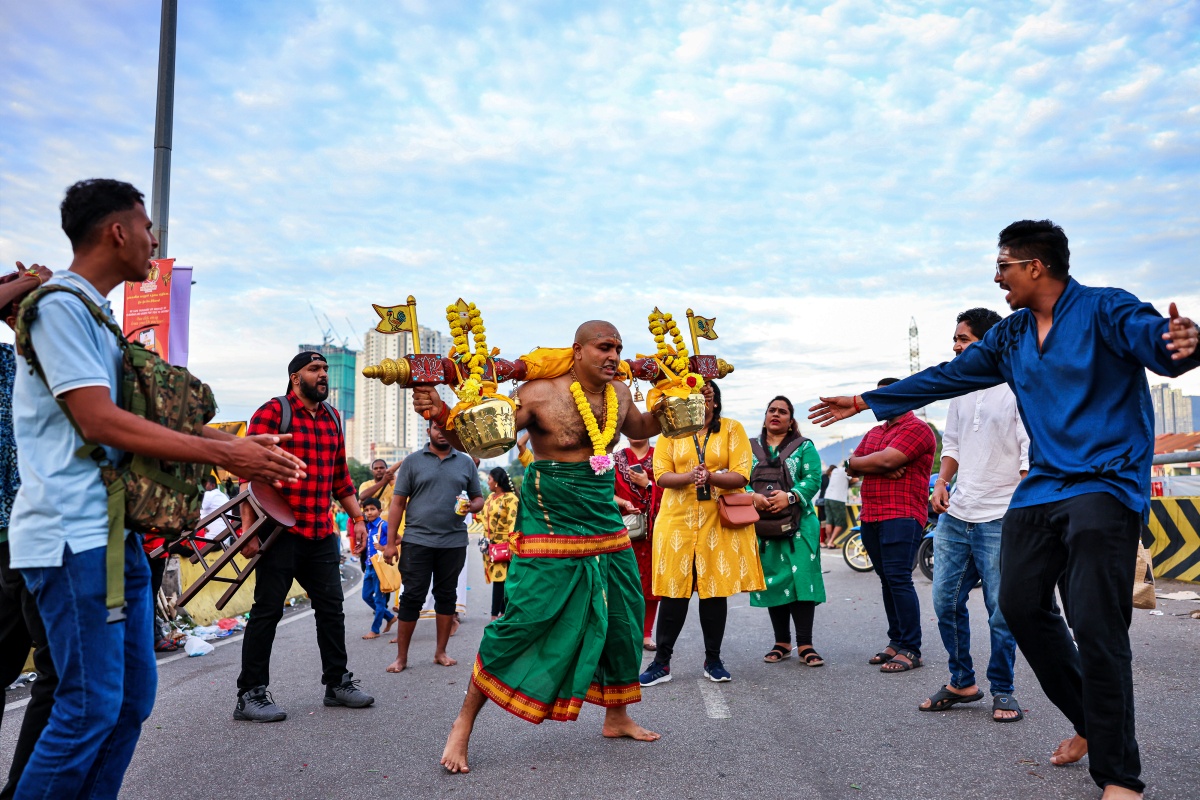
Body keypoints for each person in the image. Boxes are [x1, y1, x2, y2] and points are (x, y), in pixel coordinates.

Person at [809, 219, 1198, 800]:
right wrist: (868, 399)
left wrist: (1178, 343)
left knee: (1096, 623)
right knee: (1018, 606)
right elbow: (948, 375)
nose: (998, 279)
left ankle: (1120, 777)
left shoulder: (1105, 309)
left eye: (1003, 266)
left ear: (1035, 266)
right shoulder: (1012, 335)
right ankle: (1093, 724)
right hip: (1042, 489)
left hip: (1104, 486)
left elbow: (1156, 341)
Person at [8, 180, 304, 796]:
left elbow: (148, 416)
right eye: (146, 226)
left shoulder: (95, 315)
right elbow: (98, 419)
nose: (154, 238)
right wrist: (226, 452)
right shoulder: (60, 304)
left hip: (118, 538)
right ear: (117, 231)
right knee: (87, 708)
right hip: (72, 538)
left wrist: (238, 451)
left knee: (129, 703)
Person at [405, 320, 664, 773]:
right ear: (578, 350)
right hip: (550, 513)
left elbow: (642, 424)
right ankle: (463, 723)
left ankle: (617, 715)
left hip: (604, 513)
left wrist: (677, 397)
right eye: (605, 347)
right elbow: (484, 442)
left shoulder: (620, 392)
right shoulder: (539, 392)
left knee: (623, 612)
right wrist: (441, 413)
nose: (614, 356)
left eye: (619, 348)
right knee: (526, 618)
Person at [235, 351, 375, 722]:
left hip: (320, 531)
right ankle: (250, 694)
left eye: (325, 369)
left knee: (332, 609)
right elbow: (248, 471)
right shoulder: (273, 412)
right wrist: (248, 529)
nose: (323, 375)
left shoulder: (331, 417)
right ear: (296, 377)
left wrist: (358, 520)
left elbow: (340, 479)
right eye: (315, 369)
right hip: (279, 532)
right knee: (267, 611)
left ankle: (337, 684)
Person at [918, 308, 1028, 723]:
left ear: (987, 342)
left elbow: (1026, 452)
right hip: (957, 513)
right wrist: (943, 482)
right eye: (955, 338)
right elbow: (954, 445)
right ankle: (961, 681)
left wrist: (1022, 507)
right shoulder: (962, 391)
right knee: (945, 599)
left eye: (962, 339)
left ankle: (1003, 689)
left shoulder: (1018, 387)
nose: (955, 346)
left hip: (1001, 515)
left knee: (1002, 610)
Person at [640, 381, 765, 686]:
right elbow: (661, 476)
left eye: (707, 395)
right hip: (677, 520)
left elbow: (742, 473)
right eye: (695, 397)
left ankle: (714, 660)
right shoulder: (670, 431)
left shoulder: (732, 429)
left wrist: (711, 476)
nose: (701, 400)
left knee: (714, 591)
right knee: (673, 590)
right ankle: (661, 663)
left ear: (715, 402)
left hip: (716, 521)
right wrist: (690, 476)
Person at [0, 265, 59, 800]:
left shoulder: (36, 367)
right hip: (14, 539)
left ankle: (24, 788)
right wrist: (25, 283)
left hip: (35, 536)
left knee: (55, 675)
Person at [847, 377, 936, 674]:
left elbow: (884, 462)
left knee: (898, 579)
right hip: (871, 515)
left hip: (902, 514)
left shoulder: (917, 429)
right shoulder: (874, 432)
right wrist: (872, 462)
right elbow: (851, 464)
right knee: (887, 579)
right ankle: (895, 641)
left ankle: (911, 648)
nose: (878, 403)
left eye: (885, 397)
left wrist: (874, 463)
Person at [381, 420, 482, 673]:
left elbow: (478, 497)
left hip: (453, 541)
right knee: (412, 596)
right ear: (428, 431)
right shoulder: (413, 462)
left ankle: (441, 652)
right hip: (417, 540)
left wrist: (473, 506)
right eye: (438, 428)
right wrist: (391, 542)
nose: (443, 433)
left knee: (446, 596)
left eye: (448, 429)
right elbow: (397, 503)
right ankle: (401, 658)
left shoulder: (466, 462)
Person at [747, 396, 826, 667]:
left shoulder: (804, 447)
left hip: (800, 525)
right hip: (762, 524)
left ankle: (806, 644)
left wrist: (790, 497)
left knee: (801, 578)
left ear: (791, 420)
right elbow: (739, 478)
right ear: (766, 416)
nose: (776, 414)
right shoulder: (750, 448)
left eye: (783, 412)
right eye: (772, 410)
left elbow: (813, 479)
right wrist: (752, 497)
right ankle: (782, 642)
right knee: (774, 579)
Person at [613, 437, 663, 650]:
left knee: (652, 585)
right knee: (626, 583)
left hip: (654, 528)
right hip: (626, 528)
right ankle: (628, 632)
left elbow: (669, 490)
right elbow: (607, 493)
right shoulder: (617, 459)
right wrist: (625, 502)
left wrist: (648, 484)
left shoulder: (660, 457)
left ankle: (646, 634)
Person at [479, 467, 519, 620]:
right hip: (490, 544)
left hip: (504, 545)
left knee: (500, 579)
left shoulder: (511, 499)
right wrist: (468, 509)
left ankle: (494, 615)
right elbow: (483, 517)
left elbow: (512, 522)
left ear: (496, 482)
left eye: (489, 479)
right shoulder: (490, 498)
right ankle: (503, 613)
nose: (487, 482)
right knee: (501, 580)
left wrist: (511, 544)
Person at [359, 497, 396, 639]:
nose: (369, 513)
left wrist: (384, 547)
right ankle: (390, 617)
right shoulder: (366, 526)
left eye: (372, 509)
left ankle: (375, 630)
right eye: (366, 510)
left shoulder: (384, 525)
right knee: (366, 596)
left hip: (380, 567)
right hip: (369, 566)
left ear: (379, 511)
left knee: (379, 600)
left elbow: (398, 539)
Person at [823, 461, 854, 549]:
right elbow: (855, 480)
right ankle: (831, 541)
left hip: (828, 497)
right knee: (840, 522)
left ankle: (829, 541)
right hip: (838, 499)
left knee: (829, 521)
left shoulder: (835, 471)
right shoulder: (846, 471)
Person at [200, 473, 231, 540]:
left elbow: (192, 512)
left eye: (204, 484)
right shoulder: (223, 496)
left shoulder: (209, 494)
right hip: (224, 540)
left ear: (213, 485)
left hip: (209, 539)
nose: (201, 486)